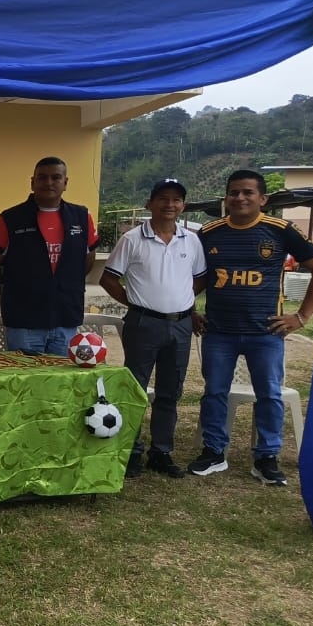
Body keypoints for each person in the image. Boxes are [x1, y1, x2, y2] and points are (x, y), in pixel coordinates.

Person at [187, 170, 313, 484]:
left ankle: (266, 458)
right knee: (214, 393)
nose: (240, 198)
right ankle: (214, 452)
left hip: (266, 333)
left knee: (269, 395)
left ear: (263, 198)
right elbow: (193, 277)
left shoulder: (281, 230)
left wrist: (301, 317)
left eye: (248, 192)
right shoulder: (209, 233)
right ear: (226, 198)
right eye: (234, 192)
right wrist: (190, 310)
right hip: (219, 332)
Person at [99, 179, 205, 478]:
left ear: (183, 205)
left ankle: (161, 452)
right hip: (143, 323)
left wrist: (185, 302)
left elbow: (200, 277)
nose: (169, 204)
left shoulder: (191, 240)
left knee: (171, 390)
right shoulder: (132, 239)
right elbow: (109, 279)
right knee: (135, 387)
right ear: (150, 203)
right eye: (162, 198)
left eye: (176, 199)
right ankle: (130, 451)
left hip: (180, 325)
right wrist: (134, 301)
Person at [0, 156, 99, 355]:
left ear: (65, 183)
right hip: (24, 322)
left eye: (56, 177)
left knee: (61, 375)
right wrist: (11, 291)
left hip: (65, 319)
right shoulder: (11, 218)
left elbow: (88, 259)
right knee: (24, 375)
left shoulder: (82, 217)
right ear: (32, 182)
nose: (49, 183)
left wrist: (64, 284)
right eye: (42, 177)